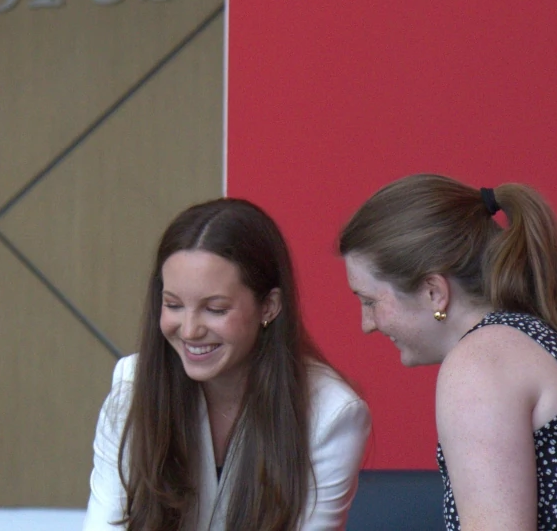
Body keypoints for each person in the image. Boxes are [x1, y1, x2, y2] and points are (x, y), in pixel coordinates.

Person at [339, 174, 557, 530]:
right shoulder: (542, 338)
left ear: (433, 292)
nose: (367, 323)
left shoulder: (481, 362)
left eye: (370, 301)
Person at [84, 198, 370, 531]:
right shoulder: (132, 384)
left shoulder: (333, 413)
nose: (189, 330)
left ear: (269, 307)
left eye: (216, 309)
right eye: (173, 305)